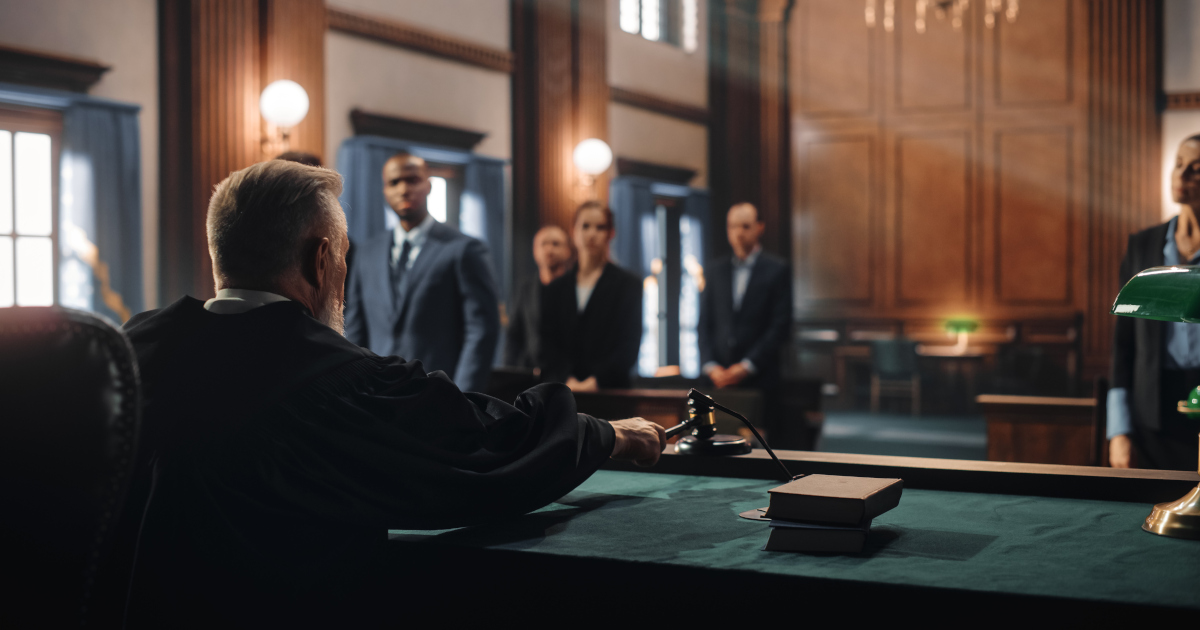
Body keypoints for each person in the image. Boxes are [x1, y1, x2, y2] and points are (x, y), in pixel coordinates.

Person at [115, 160, 666, 626]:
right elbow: (486, 450)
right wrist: (608, 434)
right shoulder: (330, 378)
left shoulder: (127, 353)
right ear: (321, 259)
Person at [345, 153, 499, 393]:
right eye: (394, 183)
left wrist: (461, 398)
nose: (404, 189)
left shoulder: (464, 249)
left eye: (413, 180)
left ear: (428, 185)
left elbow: (481, 331)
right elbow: (355, 329)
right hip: (376, 398)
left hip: (438, 396)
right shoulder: (366, 253)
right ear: (384, 191)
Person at [1109, 135, 1200, 471]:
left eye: (1196, 168)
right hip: (1154, 411)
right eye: (1178, 164)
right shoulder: (1142, 245)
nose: (1181, 175)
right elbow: (1124, 344)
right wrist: (1119, 431)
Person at [698, 203, 791, 434]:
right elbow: (704, 323)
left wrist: (747, 366)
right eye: (733, 226)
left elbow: (780, 326)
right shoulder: (714, 270)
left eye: (746, 226)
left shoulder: (777, 269)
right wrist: (711, 366)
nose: (739, 233)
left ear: (759, 228)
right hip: (718, 379)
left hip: (760, 379)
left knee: (757, 452)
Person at [541, 201, 642, 391]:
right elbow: (548, 344)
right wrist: (566, 379)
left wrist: (595, 381)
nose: (592, 234)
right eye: (585, 226)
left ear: (611, 233)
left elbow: (628, 346)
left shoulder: (628, 285)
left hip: (611, 392)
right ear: (574, 232)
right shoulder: (555, 288)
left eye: (600, 227)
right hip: (563, 392)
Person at [504, 225, 572, 369]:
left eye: (555, 244)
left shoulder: (575, 288)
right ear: (535, 251)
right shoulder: (525, 288)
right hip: (531, 373)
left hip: (568, 377)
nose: (549, 250)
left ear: (567, 251)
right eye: (543, 244)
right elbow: (515, 335)